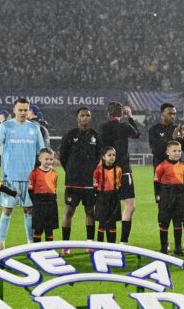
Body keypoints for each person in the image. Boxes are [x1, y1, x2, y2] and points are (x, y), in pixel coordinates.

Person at [0, 98, 46, 248]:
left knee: (29, 210)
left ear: (29, 111)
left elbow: (42, 151)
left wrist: (46, 167)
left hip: (29, 178)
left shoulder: (34, 128)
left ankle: (30, 242)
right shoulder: (6, 126)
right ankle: (1, 242)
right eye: (20, 110)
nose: (22, 113)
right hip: (10, 177)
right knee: (7, 211)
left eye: (25, 110)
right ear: (14, 110)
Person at [148, 102, 184, 250]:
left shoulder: (177, 129)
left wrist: (183, 138)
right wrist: (170, 139)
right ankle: (165, 242)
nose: (173, 116)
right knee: (163, 208)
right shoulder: (154, 130)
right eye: (170, 113)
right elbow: (156, 151)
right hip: (163, 176)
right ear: (162, 114)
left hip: (179, 174)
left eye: (174, 113)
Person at [59, 107, 100, 252]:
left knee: (90, 212)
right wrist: (71, 171)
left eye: (88, 115)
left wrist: (91, 173)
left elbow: (99, 157)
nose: (85, 118)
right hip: (73, 182)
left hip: (89, 183)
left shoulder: (95, 136)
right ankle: (65, 246)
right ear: (77, 118)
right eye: (82, 115)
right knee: (69, 212)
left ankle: (90, 244)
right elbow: (63, 157)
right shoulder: (70, 135)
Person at [99, 101, 140, 244]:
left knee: (108, 206)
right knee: (129, 206)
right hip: (123, 171)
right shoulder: (124, 126)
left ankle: (104, 241)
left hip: (108, 171)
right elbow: (136, 134)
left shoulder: (103, 127)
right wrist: (130, 117)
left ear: (108, 114)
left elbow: (100, 147)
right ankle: (123, 241)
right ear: (121, 113)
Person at [154, 140, 184, 256]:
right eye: (174, 151)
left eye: (179, 151)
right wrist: (158, 197)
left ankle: (178, 248)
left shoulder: (183, 167)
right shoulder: (161, 167)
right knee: (164, 223)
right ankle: (164, 248)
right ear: (167, 152)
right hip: (166, 197)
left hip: (179, 197)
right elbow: (157, 183)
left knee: (178, 222)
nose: (177, 153)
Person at [28, 148, 59, 243]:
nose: (49, 161)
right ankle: (37, 250)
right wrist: (36, 203)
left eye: (51, 159)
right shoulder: (34, 173)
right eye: (46, 159)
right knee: (38, 228)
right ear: (40, 159)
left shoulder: (55, 173)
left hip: (51, 203)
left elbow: (54, 188)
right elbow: (30, 190)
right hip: (39, 203)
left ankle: (49, 250)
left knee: (49, 229)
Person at [93, 146, 122, 243]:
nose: (112, 157)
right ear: (104, 157)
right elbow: (95, 184)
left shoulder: (118, 169)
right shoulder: (98, 170)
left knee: (112, 223)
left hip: (114, 197)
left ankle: (112, 246)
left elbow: (119, 184)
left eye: (114, 155)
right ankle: (100, 245)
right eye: (109, 155)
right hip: (103, 197)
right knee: (102, 222)